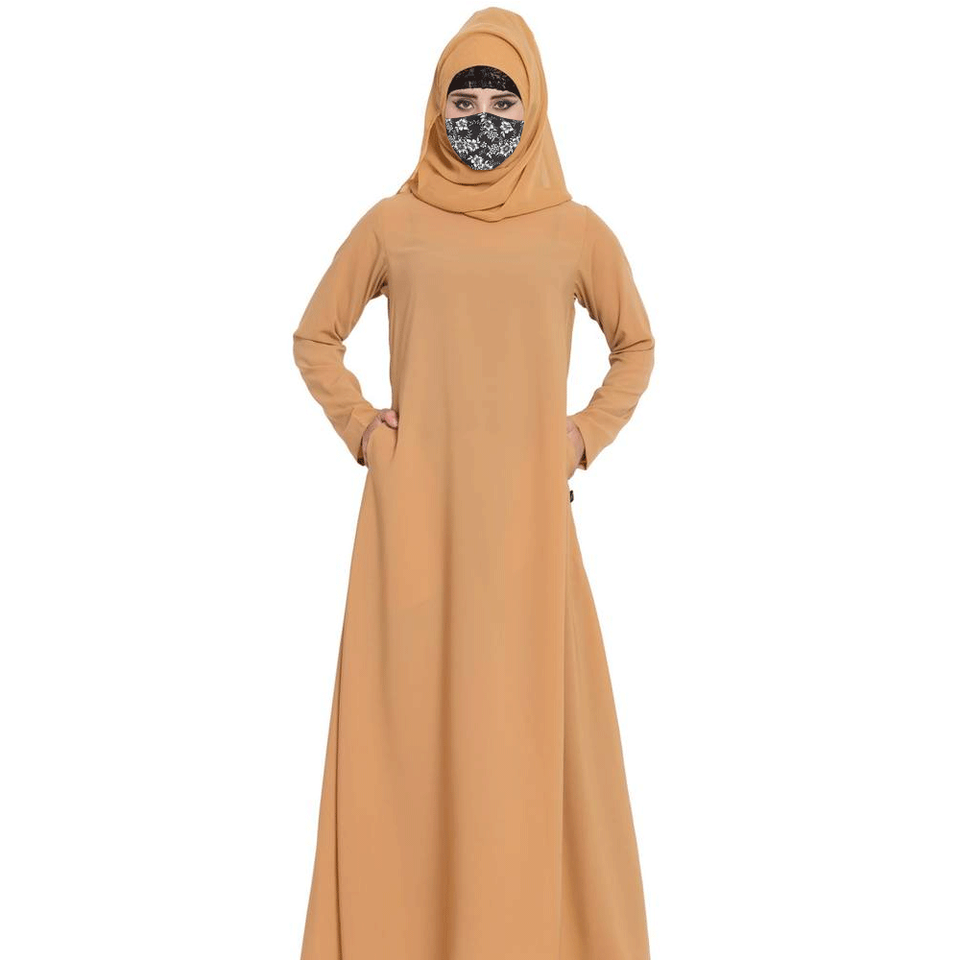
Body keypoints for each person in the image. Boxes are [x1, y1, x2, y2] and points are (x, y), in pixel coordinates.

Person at [292, 7, 656, 959]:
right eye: (465, 101)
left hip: (525, 525)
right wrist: (364, 431)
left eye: (503, 102)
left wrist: (581, 438)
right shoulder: (393, 223)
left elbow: (636, 345)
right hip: (413, 520)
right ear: (435, 107)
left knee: (522, 732)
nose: (482, 119)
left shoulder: (573, 232)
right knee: (410, 737)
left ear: (534, 110)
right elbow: (315, 337)